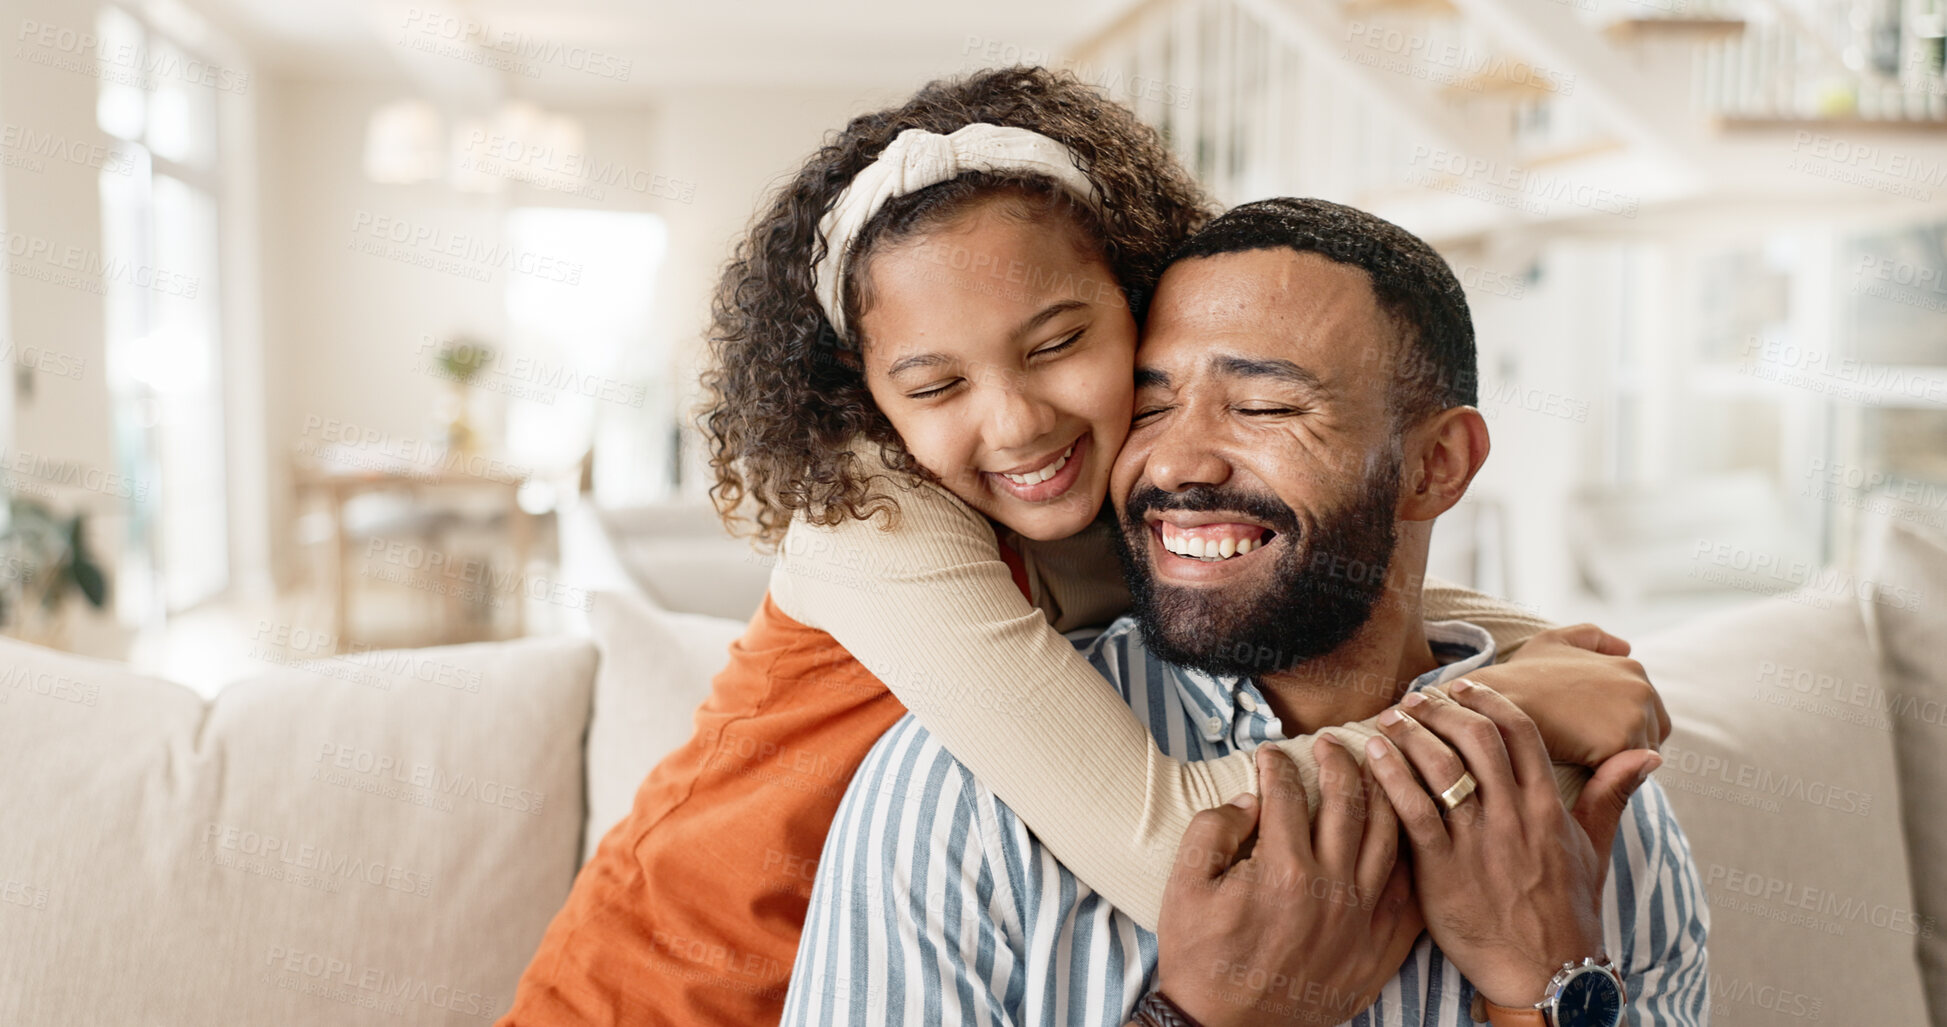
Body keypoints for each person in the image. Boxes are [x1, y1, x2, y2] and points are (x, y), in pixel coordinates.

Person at [502, 71, 1667, 1026]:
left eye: (1058, 342)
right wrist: (1512, 712)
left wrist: (1528, 650)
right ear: (867, 403)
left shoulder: (1124, 485)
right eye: (936, 382)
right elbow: (1167, 849)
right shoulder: (878, 514)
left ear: (1136, 299)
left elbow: (1331, 567)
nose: (1016, 423)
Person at [782, 198, 1708, 1027]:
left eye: (1263, 405)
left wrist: (1545, 992)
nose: (1180, 462)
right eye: (1149, 406)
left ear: (1435, 466)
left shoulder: (1594, 802)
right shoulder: (963, 782)